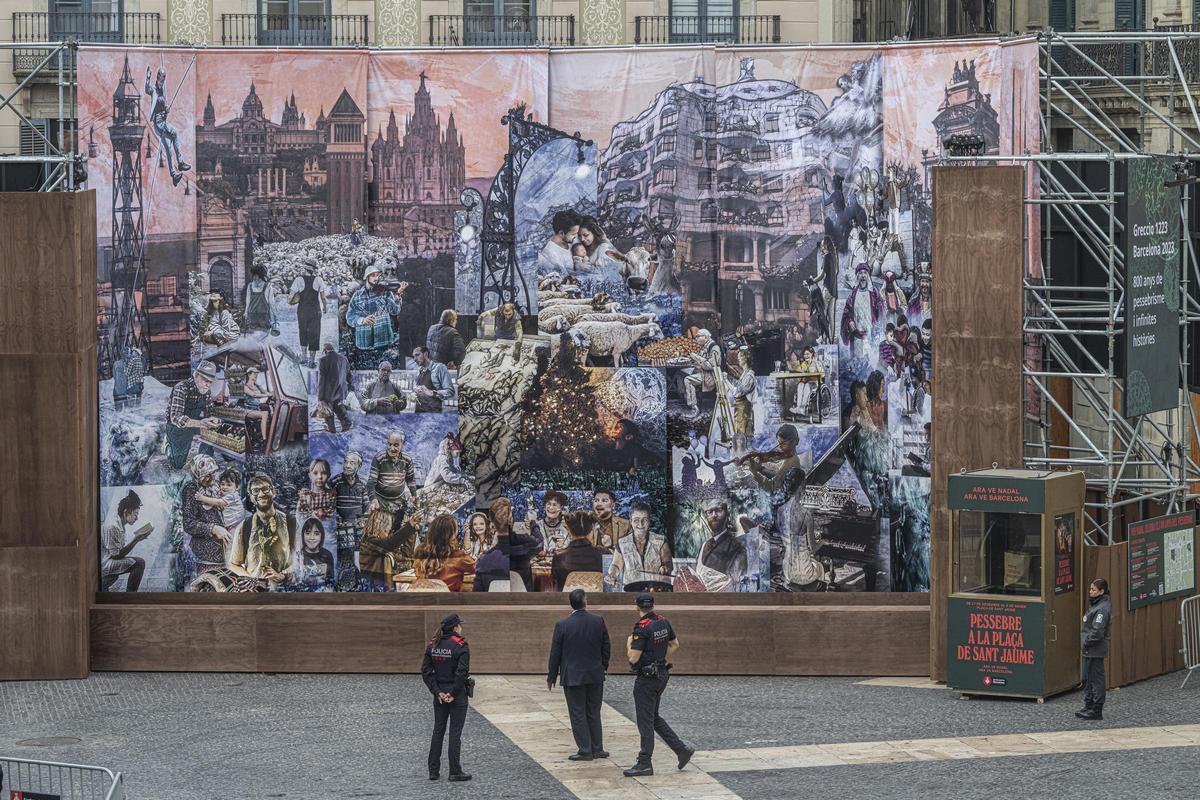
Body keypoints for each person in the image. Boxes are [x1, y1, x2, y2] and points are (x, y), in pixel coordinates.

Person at [623, 593, 693, 777]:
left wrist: (629, 643)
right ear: (653, 606)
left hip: (647, 680)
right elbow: (675, 644)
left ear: (637, 607)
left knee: (645, 722)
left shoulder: (641, 627)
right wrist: (658, 658)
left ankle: (644, 763)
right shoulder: (663, 621)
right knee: (653, 717)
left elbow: (633, 658)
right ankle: (681, 750)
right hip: (661, 674)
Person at [548, 588, 612, 761]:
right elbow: (606, 645)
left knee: (577, 712)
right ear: (585, 601)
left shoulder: (562, 625)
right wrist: (603, 666)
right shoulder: (598, 621)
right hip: (595, 673)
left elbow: (555, 652)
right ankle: (597, 748)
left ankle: (585, 749)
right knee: (594, 711)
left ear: (571, 604)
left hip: (573, 676)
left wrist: (552, 676)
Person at [422, 613, 472, 782]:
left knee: (438, 730)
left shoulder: (433, 644)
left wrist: (437, 692)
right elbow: (461, 673)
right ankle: (455, 771)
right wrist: (453, 693)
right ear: (455, 627)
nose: (461, 627)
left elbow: (426, 671)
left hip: (440, 694)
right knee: (455, 733)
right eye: (460, 625)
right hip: (456, 695)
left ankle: (433, 771)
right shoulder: (461, 645)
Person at [229, 472, 297, 587]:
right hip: (254, 593)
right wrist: (252, 581)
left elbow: (301, 559)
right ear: (251, 497)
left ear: (273, 492)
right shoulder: (244, 527)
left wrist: (283, 576)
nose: (261, 494)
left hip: (284, 590)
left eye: (265, 489)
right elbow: (234, 564)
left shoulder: (291, 523)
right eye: (255, 491)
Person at [165, 360, 220, 469]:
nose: (208, 384)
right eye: (205, 380)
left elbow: (210, 411)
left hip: (194, 423)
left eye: (210, 382)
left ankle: (204, 461)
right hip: (176, 427)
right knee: (178, 464)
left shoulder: (206, 391)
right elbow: (176, 418)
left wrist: (213, 419)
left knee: (211, 433)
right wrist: (201, 423)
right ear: (196, 375)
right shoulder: (181, 388)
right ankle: (168, 446)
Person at [180, 455, 230, 575]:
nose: (211, 478)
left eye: (213, 473)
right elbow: (188, 524)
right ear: (196, 474)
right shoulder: (191, 490)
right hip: (207, 554)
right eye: (207, 475)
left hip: (225, 550)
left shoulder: (215, 485)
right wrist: (213, 528)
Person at [607, 501, 672, 590]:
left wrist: (666, 568)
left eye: (644, 520)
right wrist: (612, 575)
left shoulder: (661, 541)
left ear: (649, 521)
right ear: (631, 521)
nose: (640, 524)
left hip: (657, 590)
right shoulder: (622, 543)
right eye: (636, 520)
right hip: (631, 591)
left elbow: (668, 563)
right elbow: (616, 566)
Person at [145, 65, 190, 185]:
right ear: (158, 76)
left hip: (162, 121)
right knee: (174, 133)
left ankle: (174, 175)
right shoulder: (154, 90)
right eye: (162, 76)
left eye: (165, 77)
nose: (164, 79)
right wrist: (147, 78)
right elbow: (147, 89)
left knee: (169, 149)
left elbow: (162, 106)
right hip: (158, 123)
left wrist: (166, 109)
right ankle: (180, 162)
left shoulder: (162, 90)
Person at [330, 451, 370, 589]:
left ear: (359, 466)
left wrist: (361, 520)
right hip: (340, 526)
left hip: (358, 526)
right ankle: (340, 584)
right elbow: (330, 505)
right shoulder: (335, 482)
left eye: (352, 463)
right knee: (342, 556)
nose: (347, 465)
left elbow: (366, 507)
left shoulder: (363, 483)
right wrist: (338, 519)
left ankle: (358, 582)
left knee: (358, 554)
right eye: (346, 462)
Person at [346, 264, 407, 352]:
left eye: (377, 275)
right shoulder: (357, 295)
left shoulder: (384, 291)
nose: (376, 278)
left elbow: (395, 311)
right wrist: (362, 320)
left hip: (383, 341)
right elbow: (349, 317)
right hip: (364, 344)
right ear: (367, 277)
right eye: (373, 275)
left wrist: (398, 294)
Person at [101, 490, 152, 591]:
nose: (137, 518)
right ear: (126, 512)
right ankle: (131, 595)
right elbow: (116, 556)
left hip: (109, 559)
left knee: (138, 561)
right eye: (135, 514)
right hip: (105, 563)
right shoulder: (112, 527)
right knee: (140, 563)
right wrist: (135, 540)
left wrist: (137, 539)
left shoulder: (120, 525)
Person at [1077, 578, 1113, 720]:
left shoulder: (1102, 608)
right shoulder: (1096, 604)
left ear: (1101, 591)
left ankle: (1097, 709)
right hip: (1089, 648)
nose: (1090, 592)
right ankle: (1089, 704)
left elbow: (1098, 631)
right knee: (1088, 677)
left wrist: (1087, 642)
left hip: (1094, 648)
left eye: (1093, 589)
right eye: (1090, 589)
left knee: (1096, 678)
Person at [414, 514, 477, 592]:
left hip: (424, 598)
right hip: (449, 598)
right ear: (452, 534)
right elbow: (478, 568)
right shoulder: (458, 556)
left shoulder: (420, 551)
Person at [696, 498, 747, 591]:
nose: (714, 515)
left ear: (727, 514)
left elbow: (736, 583)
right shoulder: (705, 545)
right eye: (710, 512)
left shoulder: (736, 546)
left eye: (718, 510)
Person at [552, 511, 607, 590]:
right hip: (597, 597)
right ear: (591, 529)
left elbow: (555, 581)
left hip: (567, 597)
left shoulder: (559, 557)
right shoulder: (603, 553)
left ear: (569, 530)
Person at [367, 432, 416, 518]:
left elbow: (410, 479)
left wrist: (414, 495)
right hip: (381, 500)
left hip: (399, 500)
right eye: (390, 444)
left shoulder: (407, 459)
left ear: (402, 445)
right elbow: (371, 482)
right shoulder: (379, 458)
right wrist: (373, 499)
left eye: (396, 445)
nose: (392, 448)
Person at [288, 259, 328, 367]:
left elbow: (290, 297)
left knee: (303, 332)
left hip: (302, 310)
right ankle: (311, 361)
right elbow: (323, 297)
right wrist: (325, 307)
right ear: (313, 270)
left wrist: (292, 301)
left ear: (305, 268)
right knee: (314, 333)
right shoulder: (318, 280)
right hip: (315, 310)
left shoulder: (298, 280)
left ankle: (304, 358)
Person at [841, 264, 883, 358]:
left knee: (872, 361)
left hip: (871, 336)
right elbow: (847, 312)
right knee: (858, 362)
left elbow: (881, 312)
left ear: (868, 276)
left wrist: (878, 327)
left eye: (865, 273)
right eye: (860, 273)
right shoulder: (852, 295)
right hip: (857, 336)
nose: (863, 276)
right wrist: (850, 321)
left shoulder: (874, 293)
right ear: (857, 276)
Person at [194, 466, 246, 537]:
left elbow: (218, 502)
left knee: (231, 541)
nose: (225, 487)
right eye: (222, 484)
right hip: (231, 525)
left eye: (229, 485)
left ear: (237, 487)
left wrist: (202, 498)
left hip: (235, 524)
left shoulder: (232, 496)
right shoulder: (227, 494)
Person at [682, 329, 722, 419]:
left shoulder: (714, 348)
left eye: (698, 336)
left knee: (688, 380)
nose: (696, 338)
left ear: (706, 337)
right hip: (702, 372)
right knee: (680, 373)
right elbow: (701, 361)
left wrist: (696, 357)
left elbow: (710, 366)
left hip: (710, 375)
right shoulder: (704, 346)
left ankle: (694, 408)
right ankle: (686, 399)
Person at [316, 343, 353, 433]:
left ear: (325, 351)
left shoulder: (323, 360)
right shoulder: (344, 359)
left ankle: (331, 428)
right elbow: (349, 374)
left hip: (328, 391)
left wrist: (320, 397)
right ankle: (346, 422)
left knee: (327, 408)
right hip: (341, 389)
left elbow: (322, 379)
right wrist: (350, 386)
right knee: (337, 405)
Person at [293, 517, 335, 590]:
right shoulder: (297, 556)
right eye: (308, 533)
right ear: (303, 535)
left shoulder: (327, 555)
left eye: (316, 534)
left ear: (321, 536)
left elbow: (331, 582)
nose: (312, 538)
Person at [537, 209, 582, 275]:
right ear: (561, 233)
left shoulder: (571, 241)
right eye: (573, 234)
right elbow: (565, 278)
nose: (576, 236)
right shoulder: (551, 253)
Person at [729, 349, 756, 455]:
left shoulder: (749, 376)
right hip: (741, 407)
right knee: (741, 431)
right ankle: (741, 454)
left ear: (746, 358)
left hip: (744, 407)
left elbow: (738, 392)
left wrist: (725, 382)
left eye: (740, 356)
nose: (738, 359)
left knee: (742, 432)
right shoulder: (745, 373)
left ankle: (741, 455)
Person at [412, 346, 455, 413]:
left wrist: (432, 393)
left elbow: (450, 391)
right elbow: (417, 389)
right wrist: (414, 392)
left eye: (417, 355)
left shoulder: (439, 368)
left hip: (433, 413)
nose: (414, 359)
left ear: (425, 354)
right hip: (418, 412)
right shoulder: (419, 370)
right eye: (413, 357)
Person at [526, 491, 570, 555]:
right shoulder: (537, 525)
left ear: (561, 508)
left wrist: (563, 546)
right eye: (548, 504)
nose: (551, 508)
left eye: (555, 505)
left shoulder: (565, 527)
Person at [242, 265, 278, 335]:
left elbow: (271, 302)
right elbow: (248, 300)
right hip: (252, 315)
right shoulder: (250, 286)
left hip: (264, 316)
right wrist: (246, 312)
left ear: (261, 276)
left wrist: (274, 315)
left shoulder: (268, 286)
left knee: (264, 334)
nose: (254, 278)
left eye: (256, 275)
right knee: (253, 336)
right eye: (253, 275)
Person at [242, 366, 271, 446]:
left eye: (257, 373)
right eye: (254, 373)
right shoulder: (245, 387)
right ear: (249, 374)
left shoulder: (257, 386)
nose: (256, 375)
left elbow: (267, 393)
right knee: (264, 414)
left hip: (256, 409)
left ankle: (261, 436)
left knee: (270, 413)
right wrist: (266, 395)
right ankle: (265, 440)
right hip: (248, 410)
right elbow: (253, 395)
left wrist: (272, 394)